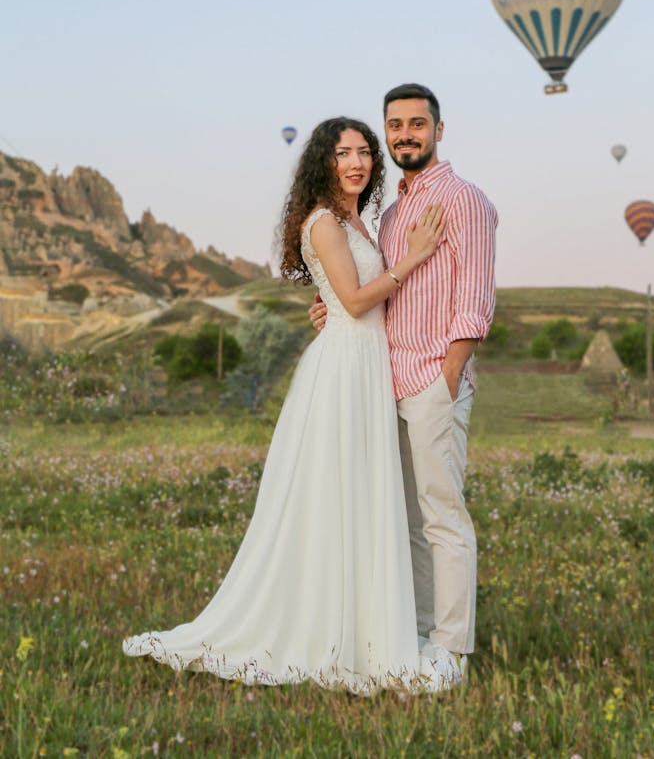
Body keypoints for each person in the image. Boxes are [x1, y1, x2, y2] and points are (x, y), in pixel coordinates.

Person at [122, 117, 448, 694]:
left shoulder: (354, 221)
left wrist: (341, 300)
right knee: (334, 495)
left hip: (364, 363)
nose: (357, 162)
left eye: (364, 152)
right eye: (343, 153)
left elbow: (345, 300)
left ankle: (365, 624)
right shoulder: (324, 222)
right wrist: (414, 256)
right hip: (344, 371)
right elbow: (351, 298)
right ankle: (324, 627)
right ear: (323, 161)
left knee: (362, 494)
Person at [311, 84, 498, 687]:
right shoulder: (389, 214)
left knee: (442, 514)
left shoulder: (464, 200)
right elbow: (377, 293)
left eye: (418, 124)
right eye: (395, 126)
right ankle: (419, 631)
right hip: (385, 380)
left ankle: (451, 648)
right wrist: (334, 310)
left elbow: (474, 301)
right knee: (408, 518)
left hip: (431, 381)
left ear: (439, 130)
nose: (405, 135)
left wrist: (448, 377)